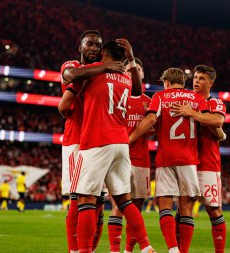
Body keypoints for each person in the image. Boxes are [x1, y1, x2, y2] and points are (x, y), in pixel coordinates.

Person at [68, 40, 155, 253]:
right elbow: (137, 89)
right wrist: (131, 60)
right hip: (121, 143)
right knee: (124, 200)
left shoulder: (93, 72)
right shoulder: (126, 78)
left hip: (96, 140)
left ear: (104, 55)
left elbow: (69, 75)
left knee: (86, 198)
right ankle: (145, 246)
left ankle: (85, 251)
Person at [130, 67, 223, 253]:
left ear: (166, 82)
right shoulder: (196, 99)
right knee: (186, 209)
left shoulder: (159, 97)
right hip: (189, 160)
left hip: (166, 158)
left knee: (165, 207)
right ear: (184, 81)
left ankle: (173, 249)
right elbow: (211, 121)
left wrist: (129, 139)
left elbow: (149, 121)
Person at [59, 30, 127, 253]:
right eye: (89, 44)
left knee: (98, 202)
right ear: (80, 47)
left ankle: (90, 249)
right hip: (76, 140)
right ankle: (73, 250)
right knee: (78, 199)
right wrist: (106, 67)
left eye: (98, 45)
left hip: (100, 141)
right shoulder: (74, 65)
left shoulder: (103, 72)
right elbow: (70, 75)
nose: (94, 48)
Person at [171, 65, 227, 252]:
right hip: (187, 162)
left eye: (202, 78)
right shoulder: (187, 101)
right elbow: (218, 131)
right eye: (195, 77)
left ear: (211, 82)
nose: (196, 81)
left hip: (208, 164)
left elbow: (218, 121)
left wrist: (194, 114)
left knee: (213, 209)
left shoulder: (216, 103)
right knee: (183, 208)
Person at [107, 58, 152, 253]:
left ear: (141, 75)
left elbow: (154, 128)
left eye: (137, 69)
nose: (133, 72)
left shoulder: (148, 103)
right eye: (128, 70)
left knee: (137, 209)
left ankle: (128, 250)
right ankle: (115, 250)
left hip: (141, 159)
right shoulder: (116, 98)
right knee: (118, 206)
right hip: (118, 158)